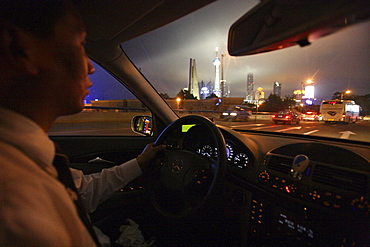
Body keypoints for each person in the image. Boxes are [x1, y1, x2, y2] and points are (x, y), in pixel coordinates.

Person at [0, 1, 164, 246]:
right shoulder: (19, 207)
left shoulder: (28, 156)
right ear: (20, 48)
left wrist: (140, 162)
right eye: (80, 44)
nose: (90, 67)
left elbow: (84, 190)